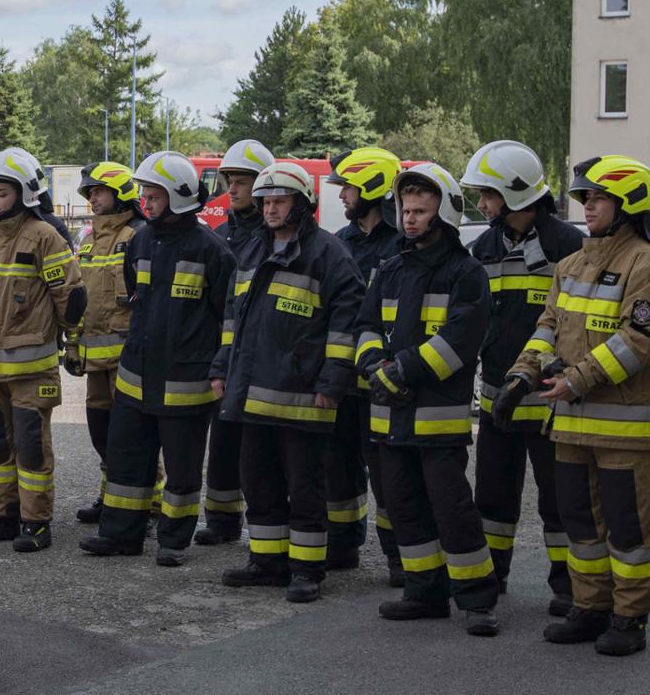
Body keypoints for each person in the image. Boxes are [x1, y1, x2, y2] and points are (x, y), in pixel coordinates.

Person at [506, 155, 650, 657]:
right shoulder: (571, 265)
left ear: (630, 205)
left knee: (629, 526)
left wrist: (575, 380)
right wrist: (523, 373)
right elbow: (548, 328)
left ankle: (631, 616)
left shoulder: (648, 266)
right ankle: (590, 606)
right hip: (572, 423)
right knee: (580, 523)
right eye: (586, 198)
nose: (588, 207)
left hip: (625, 429)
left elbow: (636, 343)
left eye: (600, 198)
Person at [357, 164, 500, 636]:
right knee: (404, 507)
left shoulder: (466, 274)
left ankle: (478, 599)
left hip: (437, 425)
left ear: (446, 215)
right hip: (390, 420)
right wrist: (374, 365)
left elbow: (461, 341)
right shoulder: (391, 270)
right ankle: (425, 593)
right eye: (406, 210)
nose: (410, 218)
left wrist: (401, 369)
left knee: (453, 510)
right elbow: (366, 326)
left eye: (421, 211)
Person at [211, 161, 363, 603]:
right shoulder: (251, 251)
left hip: (303, 397)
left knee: (305, 487)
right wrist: (222, 367)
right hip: (253, 394)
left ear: (302, 204)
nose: (271, 209)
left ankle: (307, 569)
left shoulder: (329, 254)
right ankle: (267, 561)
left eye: (279, 201)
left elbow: (346, 325)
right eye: (266, 202)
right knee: (258, 482)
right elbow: (232, 319)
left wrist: (332, 381)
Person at [80, 152, 234, 567]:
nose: (145, 203)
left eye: (154, 196)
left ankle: (173, 540)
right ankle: (120, 534)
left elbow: (228, 316)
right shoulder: (141, 241)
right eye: (145, 195)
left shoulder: (211, 249)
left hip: (185, 382)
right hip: (136, 375)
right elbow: (137, 297)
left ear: (178, 197)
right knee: (127, 460)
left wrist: (219, 367)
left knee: (181, 471)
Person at [460, 141, 582, 616]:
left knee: (560, 501)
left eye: (488, 194)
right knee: (492, 498)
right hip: (498, 399)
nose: (482, 204)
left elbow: (571, 325)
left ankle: (569, 587)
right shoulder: (484, 247)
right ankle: (494, 576)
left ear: (515, 193)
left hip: (552, 401)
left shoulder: (568, 247)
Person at [0, 147, 85, 552]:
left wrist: (74, 343)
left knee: (31, 446)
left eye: (3, 193)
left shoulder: (44, 237)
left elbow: (70, 296)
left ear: (25, 194)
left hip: (33, 367)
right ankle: (3, 515)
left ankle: (35, 521)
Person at [324, 147, 403, 578]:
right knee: (338, 468)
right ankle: (342, 545)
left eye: (348, 188)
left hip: (384, 379)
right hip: (344, 376)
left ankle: (399, 556)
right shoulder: (341, 242)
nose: (342, 196)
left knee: (389, 472)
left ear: (372, 187)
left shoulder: (402, 243)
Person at [195, 139, 276, 546]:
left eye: (241, 181)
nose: (233, 189)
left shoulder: (274, 237)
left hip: (262, 356)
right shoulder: (222, 234)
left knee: (260, 448)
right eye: (230, 181)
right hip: (224, 352)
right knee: (224, 439)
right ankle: (222, 520)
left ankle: (267, 525)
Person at [68, 161, 148, 526]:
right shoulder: (88, 241)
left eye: (99, 191)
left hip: (127, 359)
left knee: (133, 435)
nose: (93, 198)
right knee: (102, 434)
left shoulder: (137, 237)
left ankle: (149, 504)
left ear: (121, 194)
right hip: (94, 361)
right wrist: (72, 345)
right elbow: (79, 299)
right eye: (90, 193)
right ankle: (110, 495)